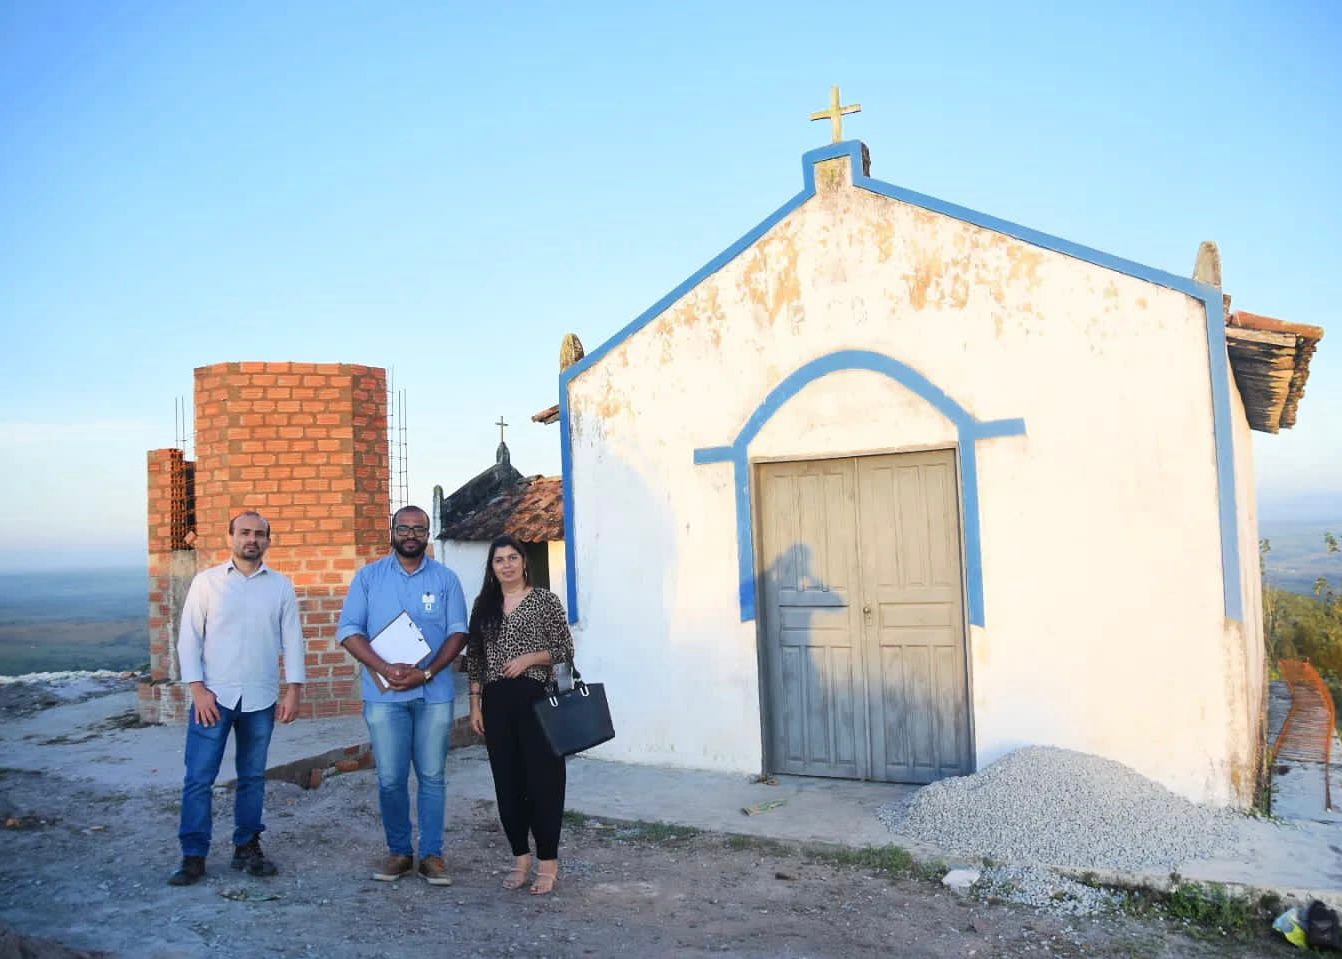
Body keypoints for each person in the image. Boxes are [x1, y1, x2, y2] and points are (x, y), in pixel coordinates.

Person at [169, 511, 305, 886]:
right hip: (213, 698)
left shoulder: (280, 586)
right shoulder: (207, 583)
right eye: (244, 532)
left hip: (260, 697)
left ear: (268, 541)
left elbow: (293, 639)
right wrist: (197, 689)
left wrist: (294, 690)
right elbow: (188, 638)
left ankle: (247, 847)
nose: (252, 539)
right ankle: (193, 855)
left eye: (259, 534)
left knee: (253, 777)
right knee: (199, 778)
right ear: (230, 537)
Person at [338, 505, 468, 885]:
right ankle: (399, 852)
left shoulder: (446, 579)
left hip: (434, 693)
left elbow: (458, 632)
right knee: (391, 778)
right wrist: (384, 667)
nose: (411, 534)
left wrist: (426, 673)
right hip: (385, 698)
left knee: (432, 776)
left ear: (428, 534)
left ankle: (431, 855)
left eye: (419, 529)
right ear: (392, 531)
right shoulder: (368, 578)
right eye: (404, 528)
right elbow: (348, 630)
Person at [467, 533, 574, 896]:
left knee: (544, 783)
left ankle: (548, 862)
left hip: (536, 700)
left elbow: (564, 648)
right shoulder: (484, 605)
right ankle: (520, 859)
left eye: (513, 557)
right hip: (496, 702)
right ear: (492, 567)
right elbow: (475, 659)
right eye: (499, 560)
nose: (507, 565)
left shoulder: (544, 600)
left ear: (524, 561)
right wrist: (475, 704)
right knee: (508, 783)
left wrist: (530, 658)